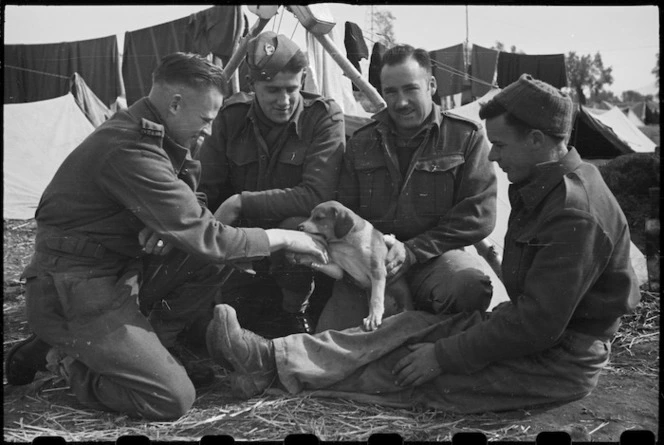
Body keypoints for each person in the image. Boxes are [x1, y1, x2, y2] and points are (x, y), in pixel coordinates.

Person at [206, 73, 641, 413]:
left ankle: (268, 370)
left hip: (560, 360)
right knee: (409, 325)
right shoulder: (545, 183)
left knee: (409, 370)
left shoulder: (574, 210)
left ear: (537, 140)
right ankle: (273, 355)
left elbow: (539, 326)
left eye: (501, 145)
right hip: (527, 331)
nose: (493, 156)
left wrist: (444, 357)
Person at [3, 52, 327, 421]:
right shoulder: (131, 146)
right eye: (205, 119)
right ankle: (63, 359)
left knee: (213, 260)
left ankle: (153, 346)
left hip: (116, 271)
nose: (207, 129)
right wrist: (284, 238)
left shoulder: (155, 131)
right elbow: (209, 234)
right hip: (76, 286)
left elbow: (191, 205)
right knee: (171, 398)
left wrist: (164, 226)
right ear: (175, 103)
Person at [315, 44, 497, 332]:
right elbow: (346, 211)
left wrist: (412, 251)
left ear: (431, 86)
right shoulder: (361, 141)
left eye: (410, 89)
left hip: (434, 262)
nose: (400, 102)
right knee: (327, 344)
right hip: (372, 264)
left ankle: (433, 344)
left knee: (468, 285)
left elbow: (478, 215)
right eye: (391, 92)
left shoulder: (465, 137)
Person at [197, 31, 345, 336]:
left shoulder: (323, 118)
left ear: (303, 79)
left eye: (292, 89)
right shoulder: (231, 118)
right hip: (243, 242)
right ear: (252, 86)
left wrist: (241, 201)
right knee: (224, 324)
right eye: (272, 90)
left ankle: (296, 312)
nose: (284, 100)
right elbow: (204, 188)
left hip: (297, 248)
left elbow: (317, 195)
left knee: (297, 226)